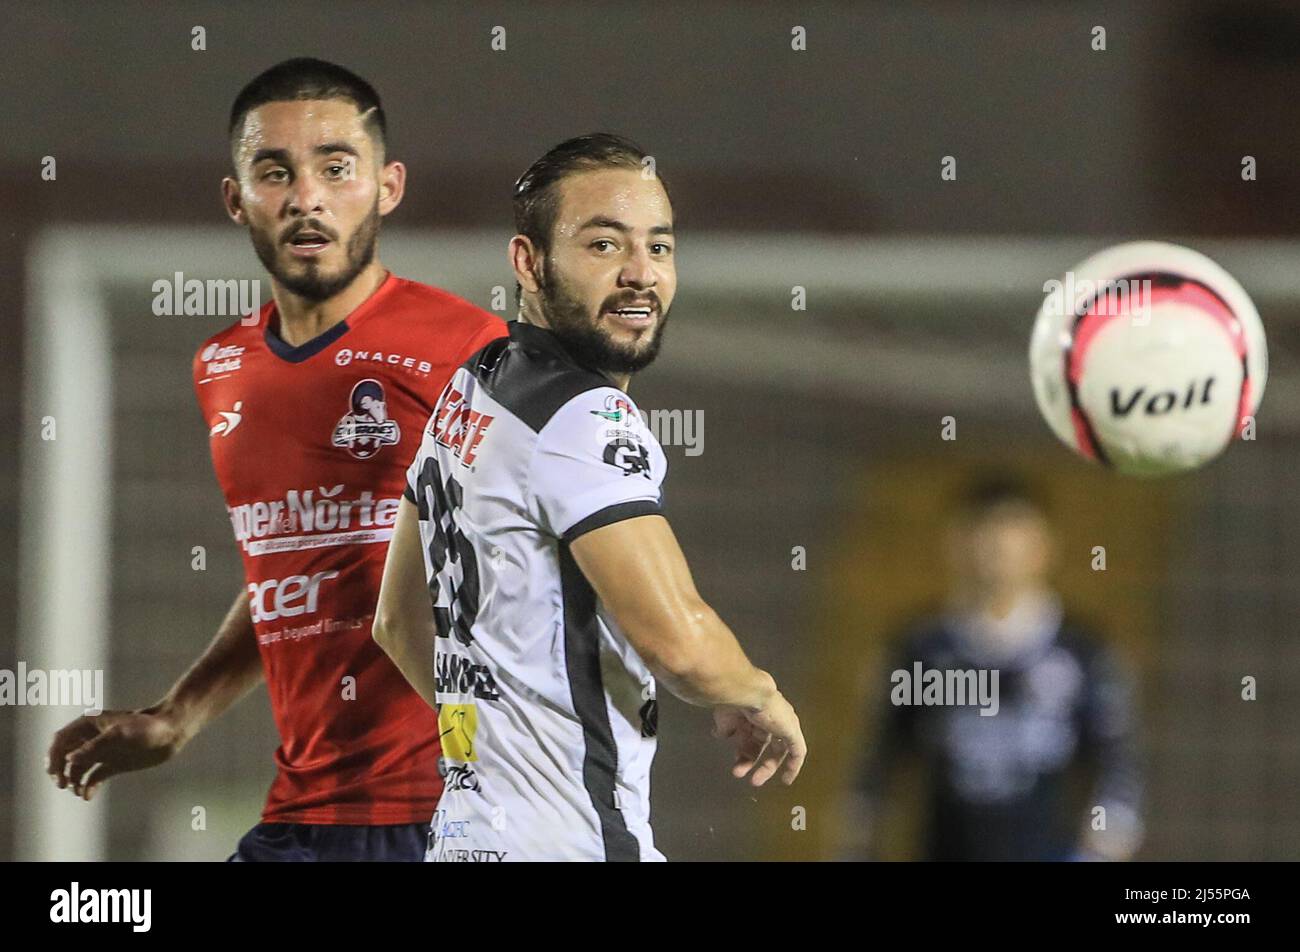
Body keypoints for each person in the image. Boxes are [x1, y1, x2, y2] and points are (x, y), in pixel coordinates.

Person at [45, 58, 507, 861]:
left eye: (336, 167)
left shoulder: (471, 349)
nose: (306, 196)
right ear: (236, 199)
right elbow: (290, 569)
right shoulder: (222, 367)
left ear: (388, 186)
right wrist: (179, 713)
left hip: (455, 813)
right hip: (307, 817)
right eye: (274, 171)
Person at [373, 133, 806, 862]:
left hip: (465, 840)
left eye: (659, 248)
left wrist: (498, 752)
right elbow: (679, 642)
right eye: (604, 246)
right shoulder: (585, 417)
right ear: (528, 262)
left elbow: (395, 619)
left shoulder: (470, 385)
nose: (641, 275)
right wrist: (759, 692)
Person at [842, 475, 1144, 861]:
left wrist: (1099, 850)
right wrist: (857, 846)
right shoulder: (922, 649)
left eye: (1013, 534)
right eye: (983, 533)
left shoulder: (1080, 651)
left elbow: (1118, 766)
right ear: (956, 544)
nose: (997, 551)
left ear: (1044, 547)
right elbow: (878, 763)